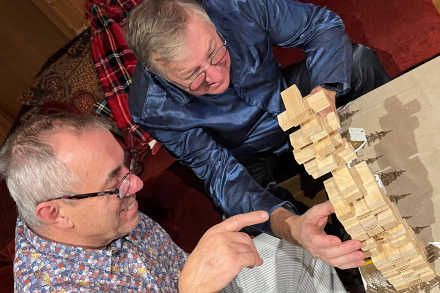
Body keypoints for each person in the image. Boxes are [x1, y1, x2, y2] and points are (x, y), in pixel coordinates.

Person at [1, 113, 369, 293]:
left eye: (126, 167)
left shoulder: (77, 212)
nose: (136, 185)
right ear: (54, 214)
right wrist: (197, 292)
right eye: (114, 184)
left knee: (294, 251)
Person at [126, 0, 391, 269]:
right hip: (245, 154)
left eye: (215, 51)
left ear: (209, 21)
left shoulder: (234, 6)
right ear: (155, 72)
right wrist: (293, 228)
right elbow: (220, 174)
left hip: (290, 100)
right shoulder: (151, 107)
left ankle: (390, 163)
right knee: (252, 221)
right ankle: (334, 249)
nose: (216, 76)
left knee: (360, 63)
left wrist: (324, 90)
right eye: (193, 75)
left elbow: (319, 24)